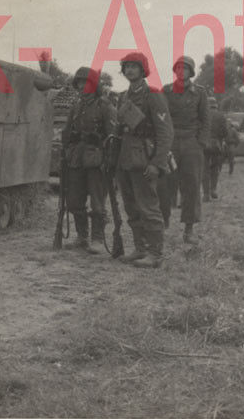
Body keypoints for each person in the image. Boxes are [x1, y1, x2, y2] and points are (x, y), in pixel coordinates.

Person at [115, 52, 173, 268]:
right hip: (125, 158)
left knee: (148, 206)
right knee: (131, 207)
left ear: (142, 70)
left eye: (134, 67)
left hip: (144, 159)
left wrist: (157, 164)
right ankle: (140, 248)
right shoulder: (123, 97)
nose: (129, 70)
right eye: (126, 67)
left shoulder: (153, 96)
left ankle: (155, 253)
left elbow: (165, 133)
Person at [61, 67, 116, 253]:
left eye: (87, 82)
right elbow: (66, 133)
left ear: (95, 85)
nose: (83, 86)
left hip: (97, 159)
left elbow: (113, 137)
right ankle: (82, 237)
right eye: (80, 83)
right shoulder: (76, 107)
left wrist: (106, 154)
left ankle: (97, 240)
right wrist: (69, 145)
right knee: (75, 200)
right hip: (77, 158)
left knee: (98, 202)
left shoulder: (105, 106)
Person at [160, 56, 208, 244]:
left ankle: (189, 229)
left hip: (191, 143)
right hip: (170, 142)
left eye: (185, 68)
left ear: (191, 72)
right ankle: (163, 223)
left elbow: (206, 120)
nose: (181, 71)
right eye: (178, 68)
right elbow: (161, 117)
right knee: (164, 184)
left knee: (192, 186)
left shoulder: (200, 93)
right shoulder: (166, 91)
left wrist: (200, 143)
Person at [201, 97, 227, 201]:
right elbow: (225, 132)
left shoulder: (202, 115)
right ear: (216, 105)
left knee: (205, 169)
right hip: (216, 145)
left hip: (203, 144)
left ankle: (206, 194)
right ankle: (213, 190)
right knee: (215, 168)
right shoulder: (221, 116)